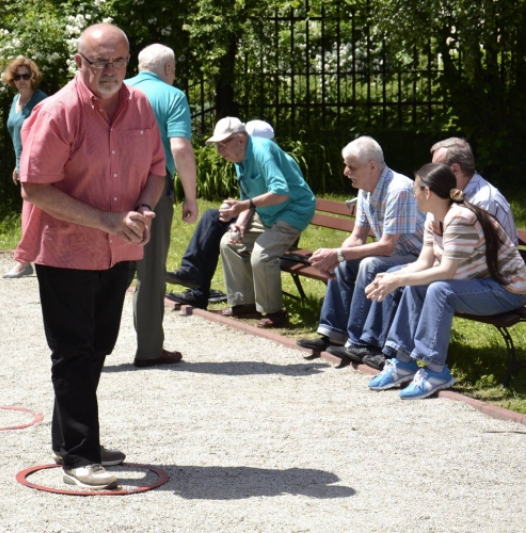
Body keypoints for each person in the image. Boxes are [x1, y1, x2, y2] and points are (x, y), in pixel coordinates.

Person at [15, 24, 166, 490]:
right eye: (98, 61)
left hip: (120, 248)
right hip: (65, 250)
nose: (109, 70)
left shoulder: (140, 104)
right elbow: (35, 186)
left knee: (98, 345)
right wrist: (105, 219)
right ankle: (80, 457)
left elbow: (158, 170)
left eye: (118, 61)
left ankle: (69, 441)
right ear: (78, 62)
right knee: (73, 350)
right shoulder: (57, 110)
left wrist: (143, 207)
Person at [350, 137, 519, 370]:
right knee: (403, 276)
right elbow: (425, 262)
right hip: (467, 275)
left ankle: (432, 369)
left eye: (415, 190)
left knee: (436, 288)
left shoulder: (468, 210)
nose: (412, 194)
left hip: (498, 283)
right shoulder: (435, 213)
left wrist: (399, 277)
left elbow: (451, 269)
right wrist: (396, 276)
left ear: (429, 191)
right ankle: (398, 360)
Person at [296, 136, 424, 364]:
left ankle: (361, 343)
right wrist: (334, 258)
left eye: (351, 166)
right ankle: (333, 335)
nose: (345, 172)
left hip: (419, 258)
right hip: (393, 255)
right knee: (345, 262)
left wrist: (336, 254)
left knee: (369, 263)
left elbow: (386, 246)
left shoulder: (399, 189)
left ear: (372, 166)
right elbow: (357, 237)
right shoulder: (366, 189)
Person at [124, 43, 199, 368]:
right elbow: (180, 148)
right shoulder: (172, 96)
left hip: (109, 188)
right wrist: (191, 197)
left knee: (108, 270)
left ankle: (92, 348)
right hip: (152, 191)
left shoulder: (118, 91)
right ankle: (150, 348)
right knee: (150, 271)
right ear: (168, 68)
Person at [212, 117, 316, 328]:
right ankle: (244, 304)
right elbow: (247, 196)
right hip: (267, 214)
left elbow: (281, 192)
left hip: (293, 210)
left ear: (240, 139)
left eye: (224, 143)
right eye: (217, 145)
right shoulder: (238, 160)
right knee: (229, 243)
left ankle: (276, 314)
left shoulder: (261, 151)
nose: (220, 150)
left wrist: (242, 206)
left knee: (262, 253)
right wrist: (240, 224)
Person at [165, 120, 276, 309]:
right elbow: (249, 197)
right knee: (212, 217)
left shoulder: (267, 159)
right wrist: (234, 213)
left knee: (217, 225)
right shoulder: (243, 161)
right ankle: (193, 280)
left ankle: (197, 289)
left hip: (272, 223)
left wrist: (239, 219)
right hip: (255, 216)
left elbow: (262, 201)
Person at [2, 57, 48, 279]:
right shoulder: (15, 100)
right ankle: (36, 258)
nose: (21, 80)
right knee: (34, 215)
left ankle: (23, 261)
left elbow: (44, 139)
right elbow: (16, 136)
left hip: (38, 167)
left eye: (25, 76)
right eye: (17, 76)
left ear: (33, 78)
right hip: (23, 165)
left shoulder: (42, 102)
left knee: (30, 215)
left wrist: (29, 164)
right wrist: (17, 163)